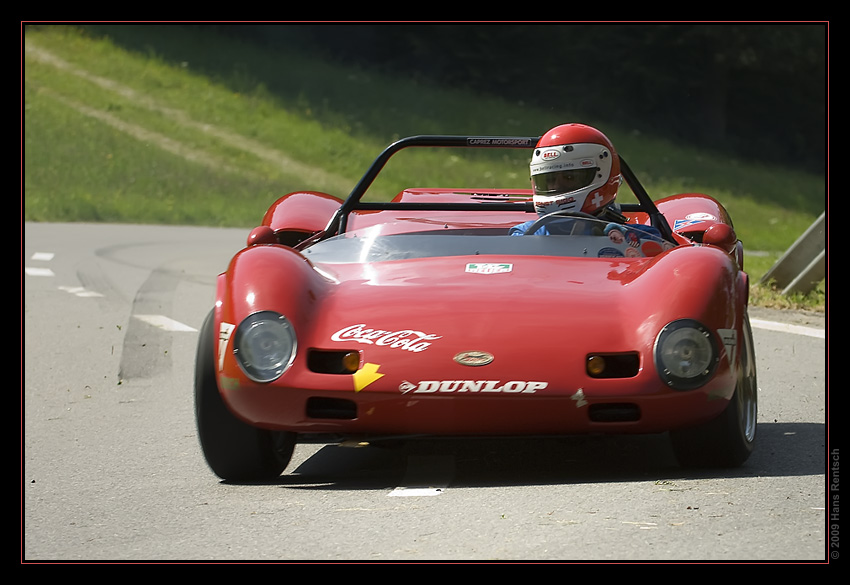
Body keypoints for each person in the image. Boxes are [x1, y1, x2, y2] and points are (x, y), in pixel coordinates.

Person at [510, 123, 658, 239]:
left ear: (603, 175)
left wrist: (625, 242)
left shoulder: (637, 237)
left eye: (569, 177)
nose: (556, 186)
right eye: (549, 180)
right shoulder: (525, 234)